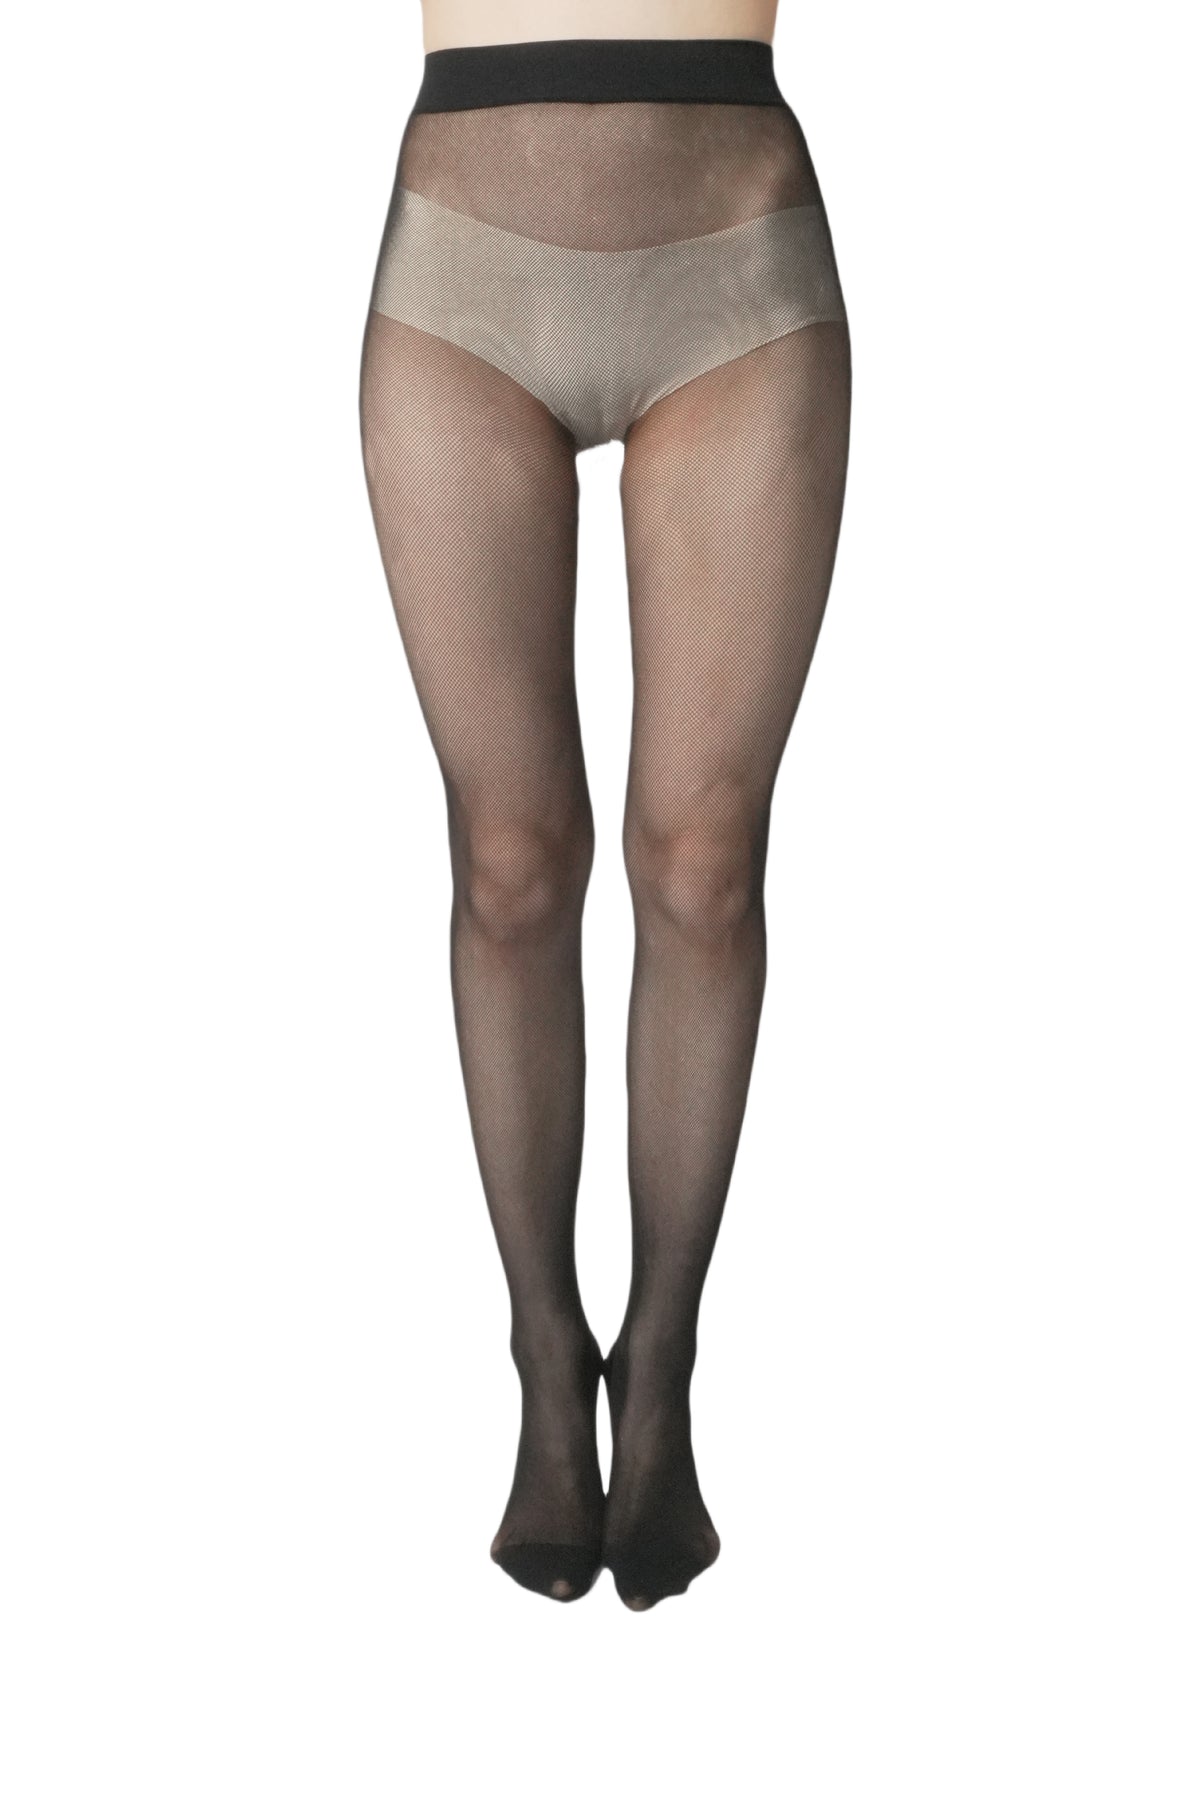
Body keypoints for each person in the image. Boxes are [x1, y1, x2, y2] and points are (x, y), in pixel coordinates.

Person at [359, 0, 852, 1610]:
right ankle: (539, 1352)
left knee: (703, 862)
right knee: (508, 862)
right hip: (462, 267)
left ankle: (660, 1370)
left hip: (735, 256)